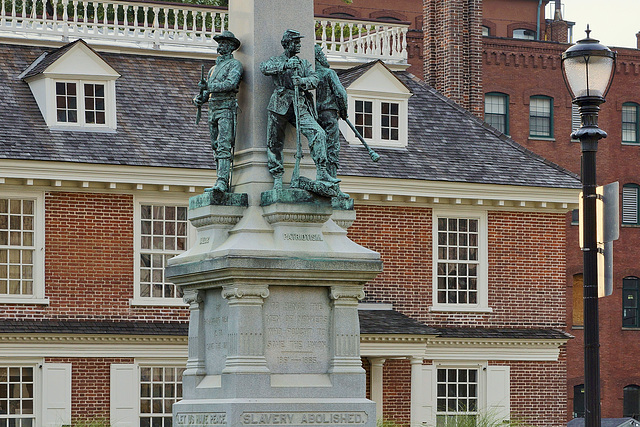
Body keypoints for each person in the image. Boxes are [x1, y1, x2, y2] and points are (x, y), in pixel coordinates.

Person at [260, 29, 339, 191]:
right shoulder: (277, 60)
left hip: (299, 104)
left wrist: (302, 81)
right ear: (286, 44)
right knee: (274, 142)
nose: (299, 45)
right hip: (279, 104)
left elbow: (314, 79)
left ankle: (322, 171)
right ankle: (277, 176)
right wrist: (285, 65)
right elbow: (264, 67)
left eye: (299, 42)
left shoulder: (304, 63)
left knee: (319, 133)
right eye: (295, 42)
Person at [193, 30, 244, 193]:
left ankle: (223, 181)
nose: (220, 45)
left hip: (226, 108)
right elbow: (208, 93)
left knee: (223, 144)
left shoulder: (235, 65)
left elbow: (231, 83)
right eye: (219, 43)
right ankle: (218, 179)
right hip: (213, 109)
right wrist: (199, 98)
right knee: (215, 146)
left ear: (230, 47)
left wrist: (209, 87)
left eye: (223, 43)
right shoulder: (213, 69)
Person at [314, 44, 349, 199]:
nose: (324, 57)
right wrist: (344, 111)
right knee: (332, 148)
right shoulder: (329, 73)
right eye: (322, 55)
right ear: (318, 57)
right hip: (329, 115)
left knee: (319, 147)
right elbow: (341, 93)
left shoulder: (312, 74)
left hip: (315, 115)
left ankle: (321, 180)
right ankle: (333, 187)